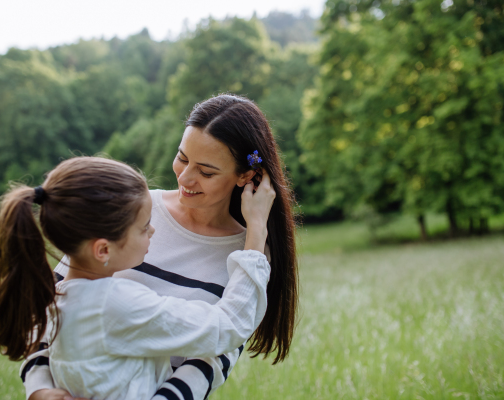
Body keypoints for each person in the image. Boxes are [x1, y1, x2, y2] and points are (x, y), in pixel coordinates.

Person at [23, 94, 299, 400]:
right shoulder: (131, 210)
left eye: (206, 172)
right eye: (182, 157)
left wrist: (257, 229)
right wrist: (40, 389)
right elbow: (52, 306)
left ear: (246, 175)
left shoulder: (250, 254)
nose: (185, 176)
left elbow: (219, 349)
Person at [0, 156, 276, 400]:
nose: (152, 231)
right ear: (102, 249)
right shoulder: (116, 304)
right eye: (143, 227)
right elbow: (224, 328)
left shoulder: (58, 297)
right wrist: (255, 239)